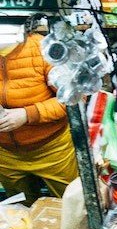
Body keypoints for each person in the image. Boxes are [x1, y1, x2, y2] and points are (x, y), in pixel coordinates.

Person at [0, 31, 80, 203]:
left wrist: (28, 114)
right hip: (5, 154)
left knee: (70, 203)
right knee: (19, 209)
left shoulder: (43, 49)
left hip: (53, 149)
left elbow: (73, 97)